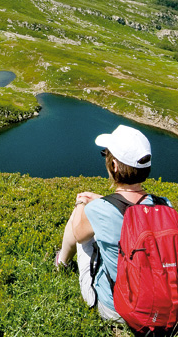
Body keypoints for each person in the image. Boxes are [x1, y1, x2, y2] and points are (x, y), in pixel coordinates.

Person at [53, 124, 165, 322]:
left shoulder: (101, 210)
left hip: (117, 310)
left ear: (114, 166)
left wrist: (82, 203)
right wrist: (102, 200)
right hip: (163, 305)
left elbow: (79, 235)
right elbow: (132, 209)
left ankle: (61, 263)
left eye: (105, 154)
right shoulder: (164, 205)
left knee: (80, 225)